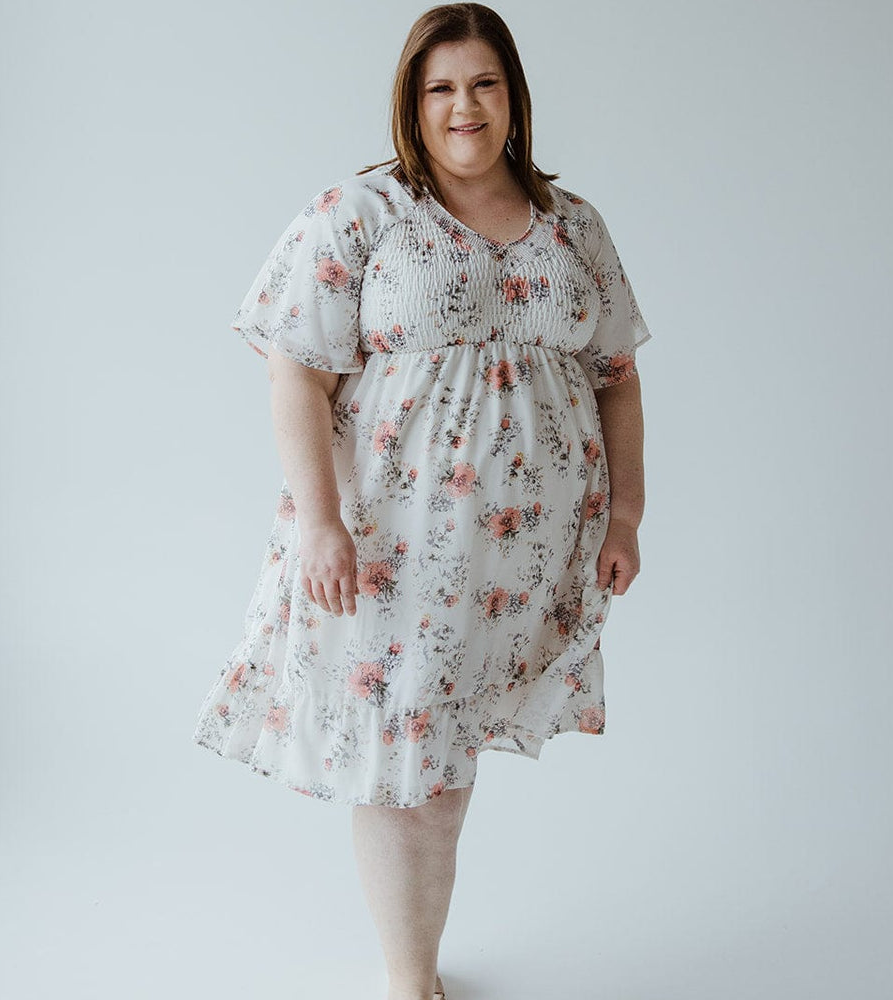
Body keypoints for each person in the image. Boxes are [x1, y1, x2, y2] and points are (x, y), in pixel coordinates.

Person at [192, 3, 651, 998]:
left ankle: (418, 966)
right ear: (411, 101)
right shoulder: (363, 213)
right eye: (440, 86)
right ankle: (411, 980)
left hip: (524, 558)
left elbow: (615, 374)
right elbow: (295, 370)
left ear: (513, 96)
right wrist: (319, 520)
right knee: (411, 773)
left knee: (444, 768)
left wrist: (623, 517)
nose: (463, 107)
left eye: (483, 83)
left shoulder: (574, 225)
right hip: (393, 546)